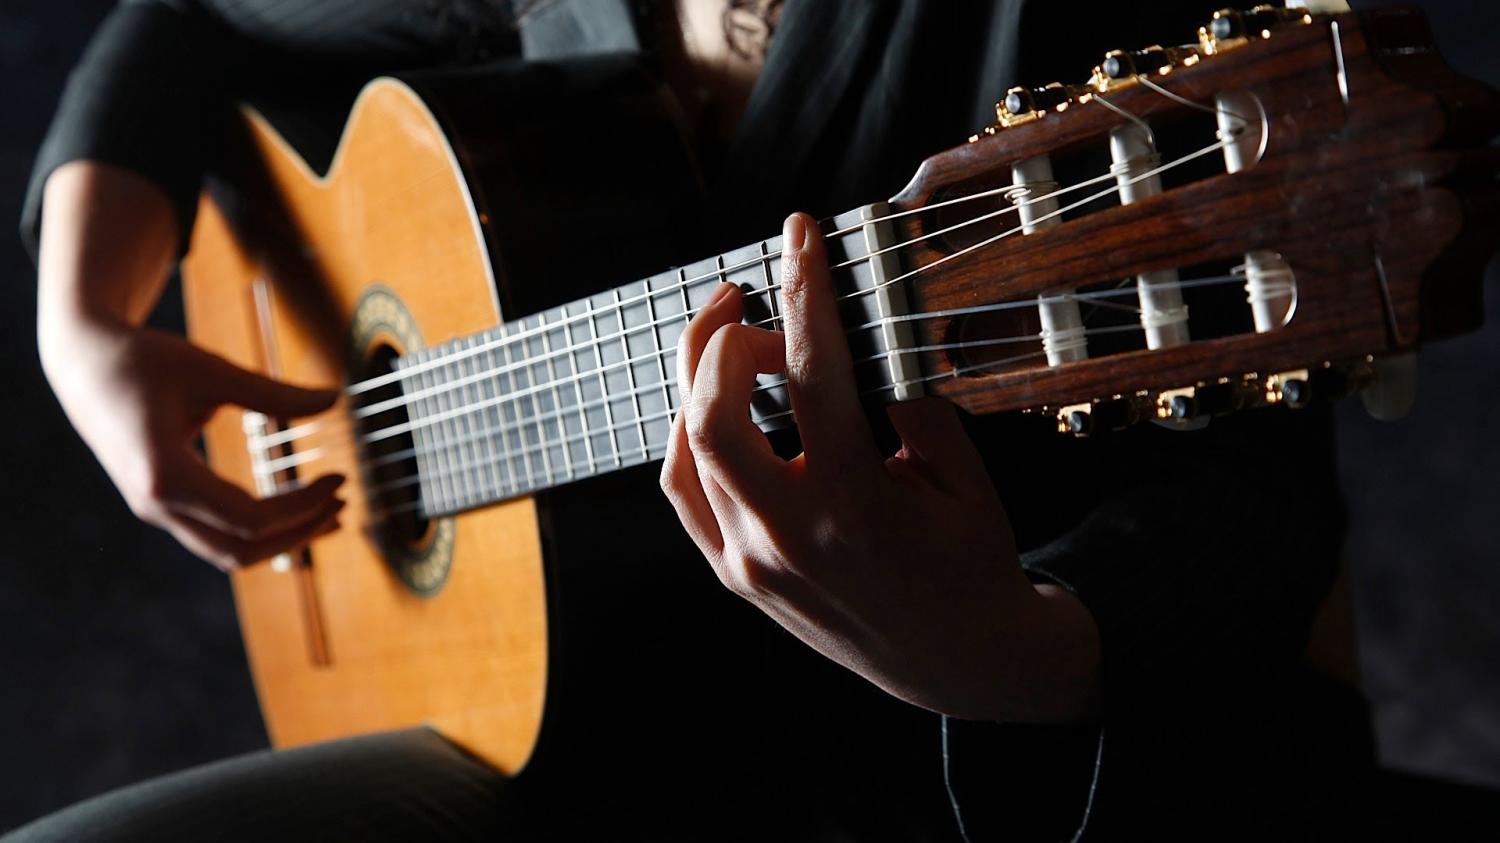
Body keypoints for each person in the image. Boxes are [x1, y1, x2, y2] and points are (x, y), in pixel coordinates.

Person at [14, 0, 1378, 839]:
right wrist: (84, 324)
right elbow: (183, 19)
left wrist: (1013, 650)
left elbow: (1258, 513)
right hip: (595, 736)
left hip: (966, 789)